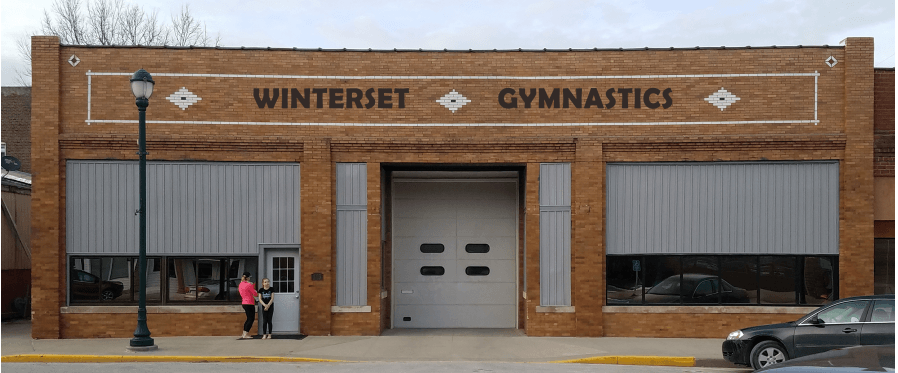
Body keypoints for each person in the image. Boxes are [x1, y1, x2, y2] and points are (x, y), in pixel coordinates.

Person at [238, 271, 258, 339]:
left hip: (244, 303)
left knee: (248, 318)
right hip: (250, 303)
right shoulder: (249, 285)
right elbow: (255, 293)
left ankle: (244, 333)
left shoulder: (240, 284)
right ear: (248, 277)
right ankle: (245, 333)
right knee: (251, 319)